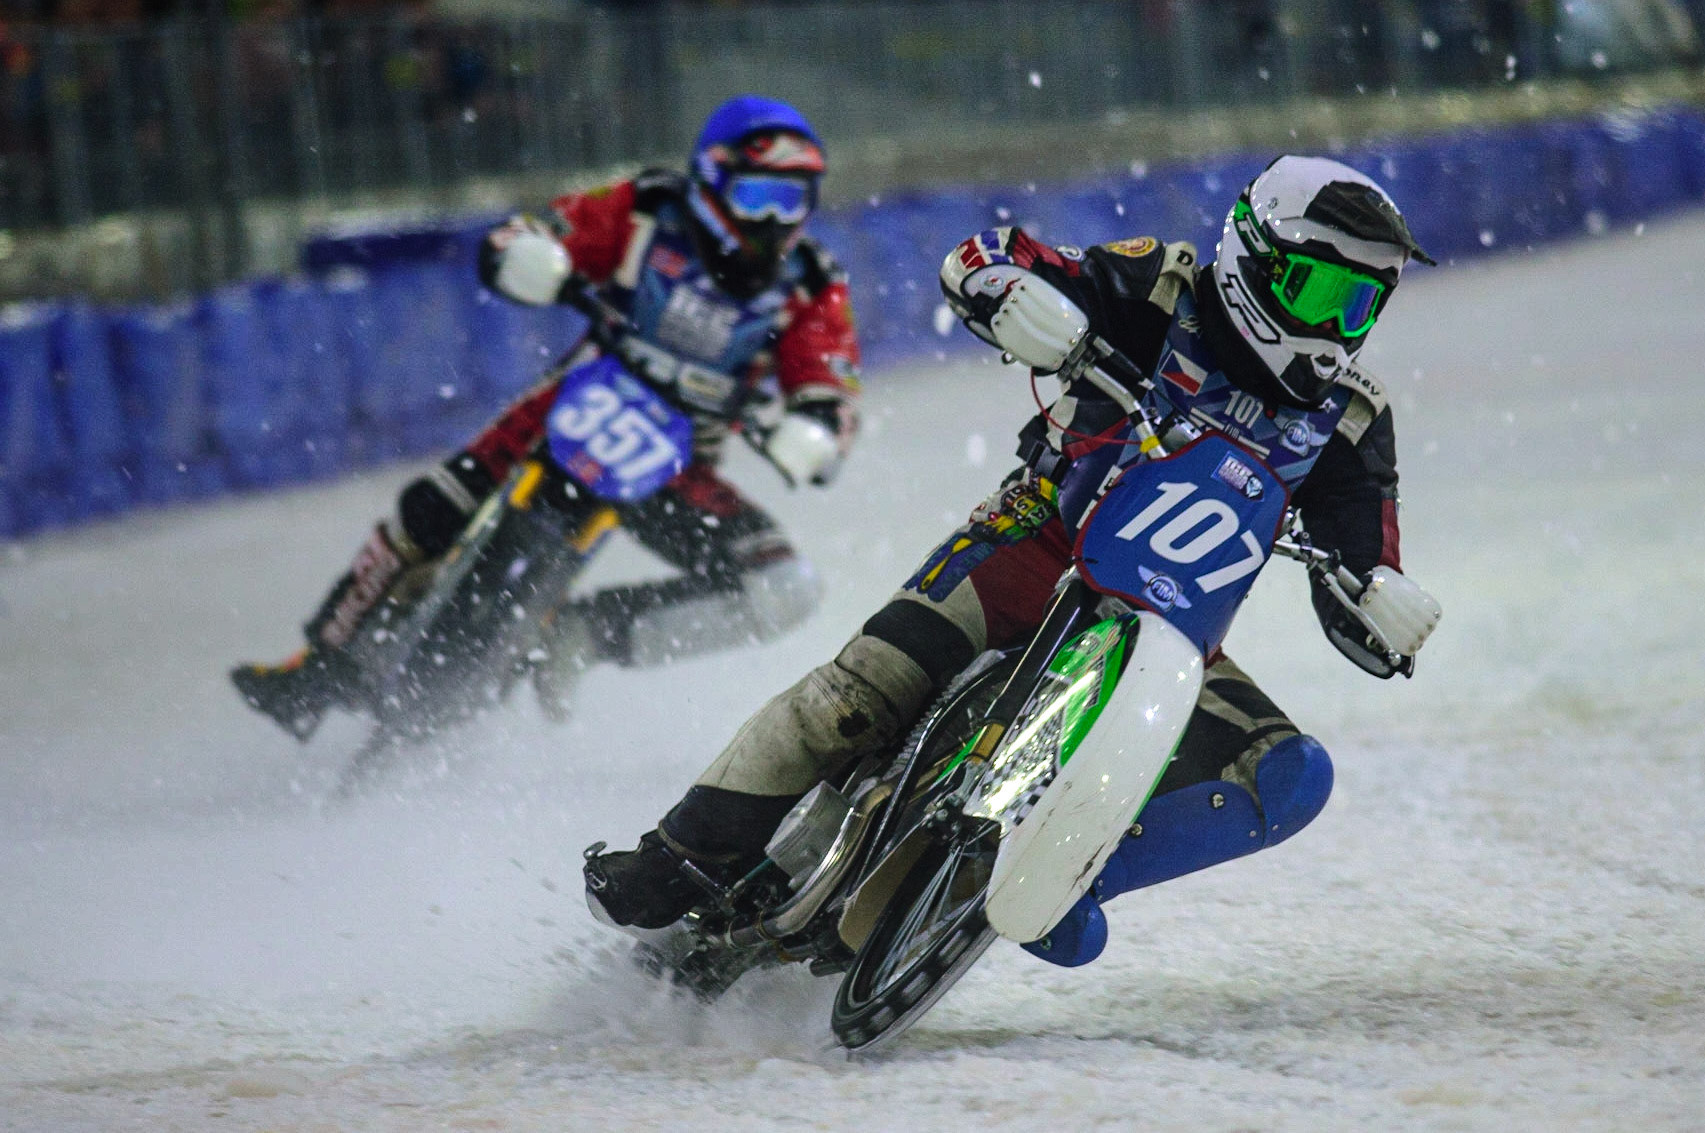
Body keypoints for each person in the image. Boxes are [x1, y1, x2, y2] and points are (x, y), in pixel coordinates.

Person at [582, 155, 1443, 966]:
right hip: (1031, 539)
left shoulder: (1351, 418)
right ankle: (675, 857)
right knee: (849, 697)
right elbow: (990, 257)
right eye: (1319, 290)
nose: (1333, 329)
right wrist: (1011, 294)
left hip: (1175, 634)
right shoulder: (1160, 284)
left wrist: (1383, 603)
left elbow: (1360, 568)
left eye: (1360, 305)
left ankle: (1059, 882)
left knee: (1288, 778)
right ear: (1253, 255)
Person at [232, 95, 862, 738]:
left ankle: (582, 635)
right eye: (760, 196)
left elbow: (831, 380)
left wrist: (813, 426)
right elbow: (531, 233)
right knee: (427, 511)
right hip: (566, 408)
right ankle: (323, 662)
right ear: (713, 176)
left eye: (793, 200)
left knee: (783, 588)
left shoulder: (810, 280)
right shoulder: (646, 208)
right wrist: (531, 255)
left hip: (672, 465)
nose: (772, 220)